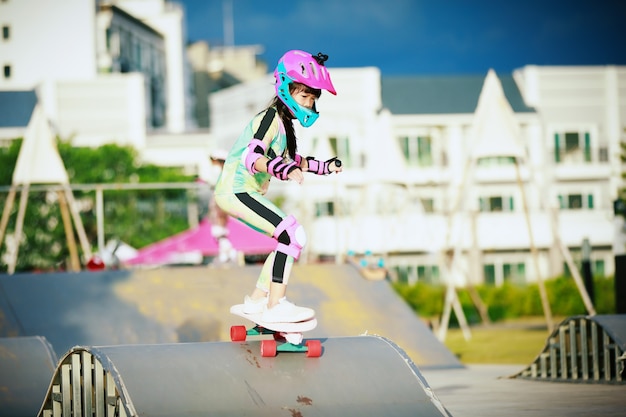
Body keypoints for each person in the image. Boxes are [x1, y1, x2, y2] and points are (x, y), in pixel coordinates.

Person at [214, 50, 342, 323]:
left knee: (286, 240)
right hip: (236, 190)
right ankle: (276, 304)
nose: (309, 104)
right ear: (286, 88)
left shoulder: (283, 127)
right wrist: (282, 169)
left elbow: (293, 160)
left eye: (312, 99)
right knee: (293, 234)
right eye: (305, 96)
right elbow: (253, 157)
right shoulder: (269, 118)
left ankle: (257, 302)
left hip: (241, 192)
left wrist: (325, 166)